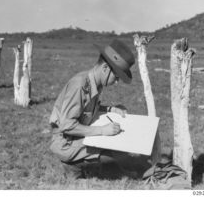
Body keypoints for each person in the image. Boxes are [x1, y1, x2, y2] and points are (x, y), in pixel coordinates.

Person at [49, 39, 138, 179]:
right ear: (105, 69)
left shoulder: (94, 84)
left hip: (77, 136)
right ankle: (73, 165)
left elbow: (85, 109)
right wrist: (102, 131)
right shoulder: (79, 85)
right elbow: (66, 125)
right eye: (117, 76)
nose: (117, 81)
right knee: (116, 155)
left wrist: (111, 109)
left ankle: (84, 164)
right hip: (66, 142)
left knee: (120, 151)